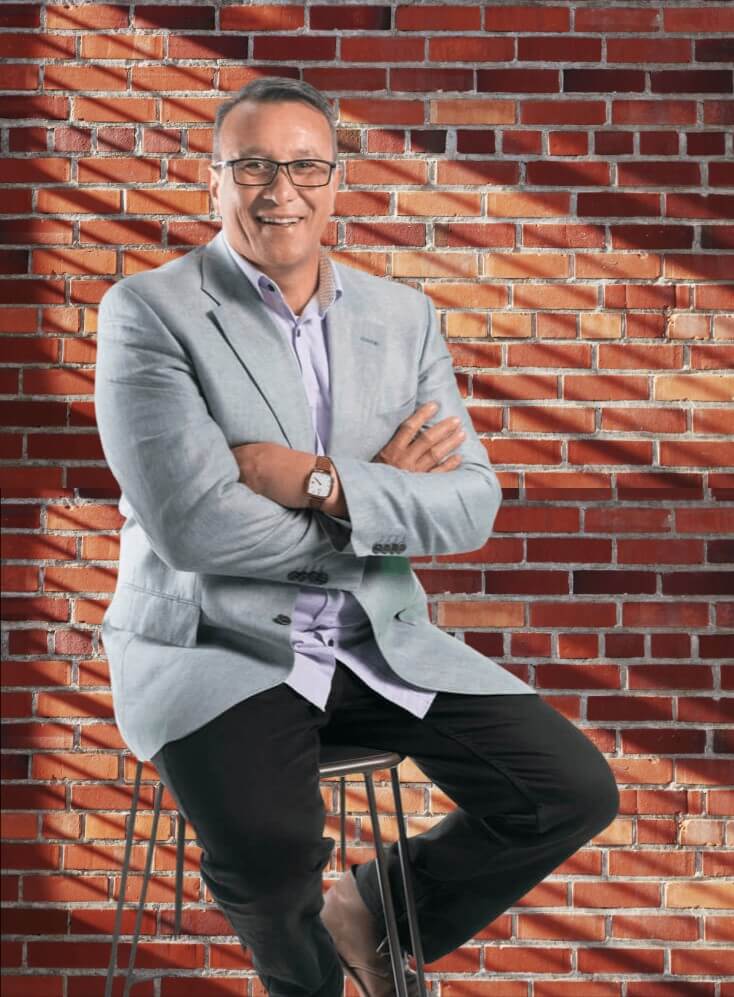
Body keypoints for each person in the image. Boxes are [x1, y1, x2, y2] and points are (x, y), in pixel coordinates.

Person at [94, 78, 619, 997]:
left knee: (570, 790)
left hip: (371, 635)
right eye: (252, 165)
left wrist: (318, 480)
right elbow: (194, 528)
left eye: (303, 165)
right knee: (269, 849)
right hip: (218, 643)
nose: (278, 190)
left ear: (338, 181)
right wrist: (380, 504)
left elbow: (471, 505)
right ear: (214, 180)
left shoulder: (401, 317)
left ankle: (368, 912)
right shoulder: (150, 311)